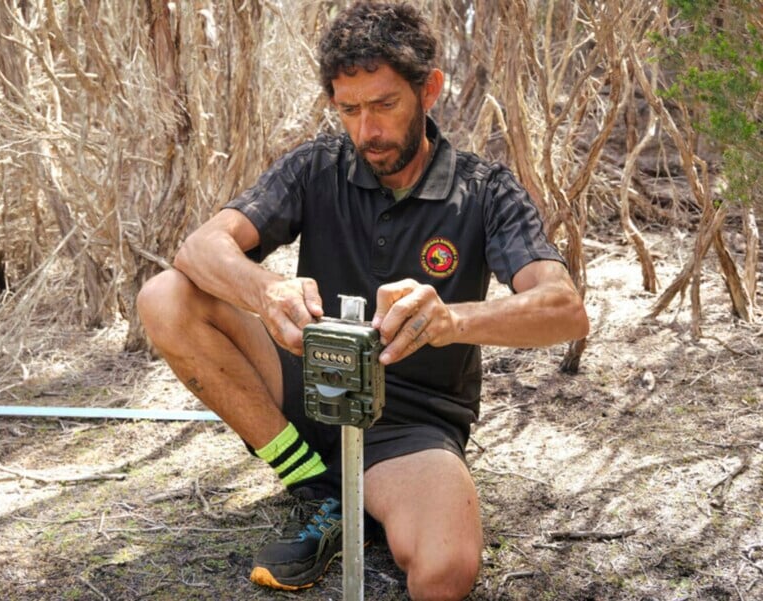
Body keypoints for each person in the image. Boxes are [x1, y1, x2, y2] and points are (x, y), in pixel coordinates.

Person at [137, 2, 589, 599]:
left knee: (444, 571)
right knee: (166, 296)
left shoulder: (485, 192)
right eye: (348, 110)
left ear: (429, 90)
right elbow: (201, 248)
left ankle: (364, 493)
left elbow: (563, 309)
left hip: (407, 425)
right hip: (303, 385)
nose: (366, 131)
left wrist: (452, 319)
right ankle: (318, 490)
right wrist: (266, 290)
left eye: (384, 105)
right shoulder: (315, 167)